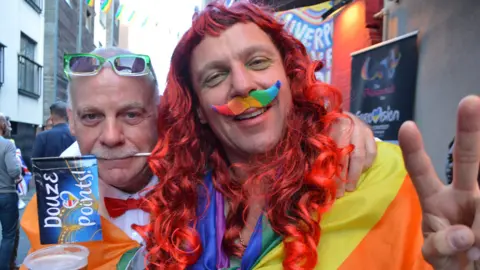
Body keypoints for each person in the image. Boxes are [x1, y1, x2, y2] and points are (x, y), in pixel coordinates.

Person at [143, 2, 480, 269]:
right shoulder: (180, 206)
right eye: (215, 77)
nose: (243, 86)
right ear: (199, 109)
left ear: (290, 76)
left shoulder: (376, 174)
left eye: (258, 62)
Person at [20, 47, 377, 269]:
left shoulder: (204, 167)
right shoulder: (61, 197)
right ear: (70, 121)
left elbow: (272, 140)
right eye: (91, 117)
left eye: (132, 115)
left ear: (160, 114)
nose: (111, 137)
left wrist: (336, 128)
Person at [0, 113, 21, 270]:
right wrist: (19, 173)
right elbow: (13, 170)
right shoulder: (7, 144)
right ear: (2, 126)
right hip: (6, 193)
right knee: (8, 235)